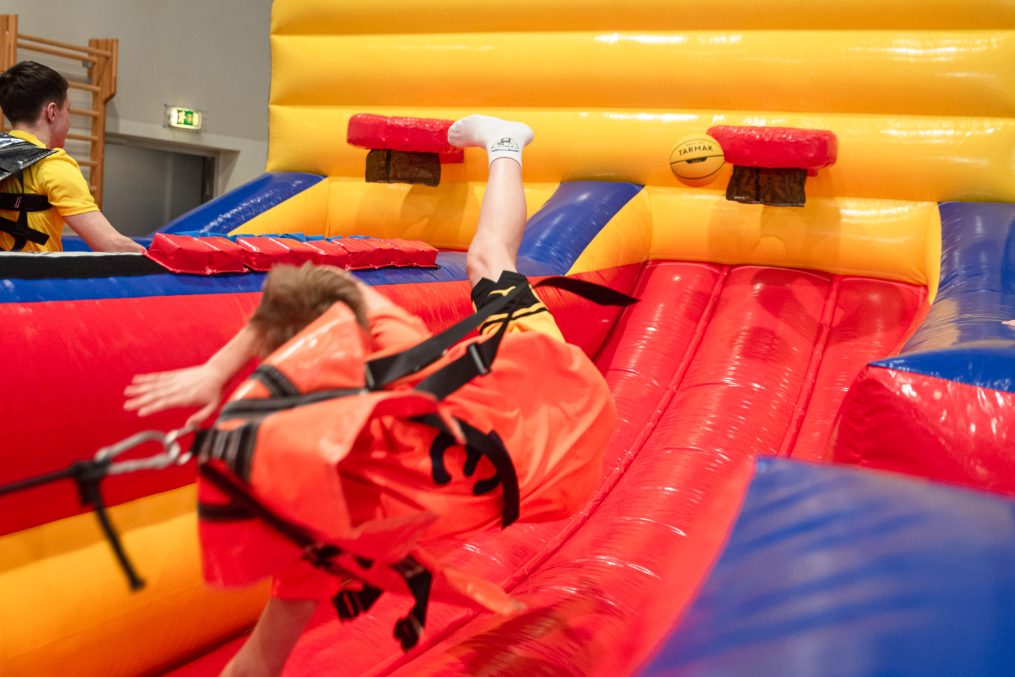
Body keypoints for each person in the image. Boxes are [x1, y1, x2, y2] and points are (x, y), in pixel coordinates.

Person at [124, 115, 623, 676]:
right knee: (489, 261)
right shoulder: (393, 381)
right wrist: (218, 370)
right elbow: (323, 284)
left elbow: (260, 660)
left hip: (561, 474)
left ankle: (505, 142)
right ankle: (504, 143)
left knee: (488, 266)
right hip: (556, 384)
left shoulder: (328, 536)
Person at [0, 61, 141, 252]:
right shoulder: (52, 165)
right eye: (68, 110)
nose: (69, 120)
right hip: (33, 272)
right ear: (52, 112)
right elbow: (111, 244)